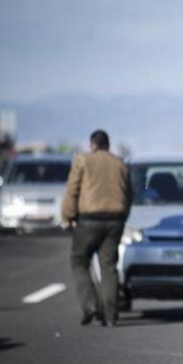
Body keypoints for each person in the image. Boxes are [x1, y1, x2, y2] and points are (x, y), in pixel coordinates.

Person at [60, 130, 132, 326]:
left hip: (89, 220)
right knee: (109, 266)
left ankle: (90, 304)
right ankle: (110, 313)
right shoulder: (120, 163)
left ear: (92, 144)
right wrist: (122, 216)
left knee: (79, 261)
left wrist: (68, 215)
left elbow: (72, 189)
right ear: (108, 145)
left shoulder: (83, 161)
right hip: (115, 220)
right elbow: (129, 194)